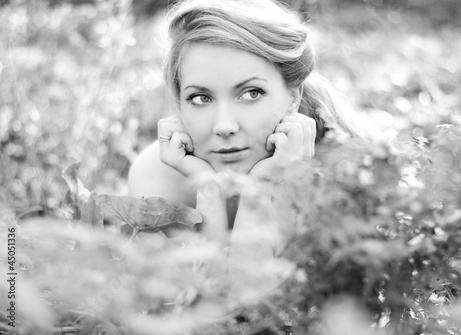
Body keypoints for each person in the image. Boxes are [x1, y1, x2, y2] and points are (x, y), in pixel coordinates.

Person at [128, 0, 360, 250]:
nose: (224, 126)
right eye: (201, 98)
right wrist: (208, 189)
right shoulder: (157, 177)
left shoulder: (343, 174)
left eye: (251, 93)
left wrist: (263, 188)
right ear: (179, 103)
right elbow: (207, 287)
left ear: (293, 96)